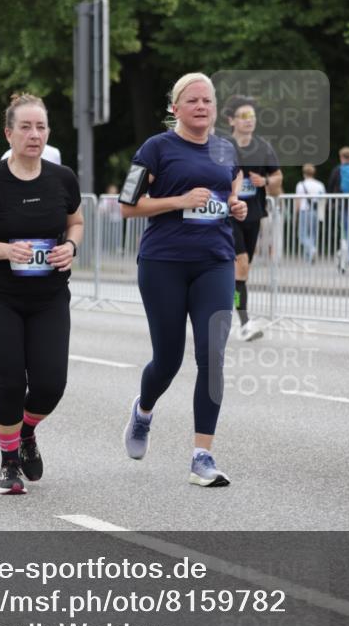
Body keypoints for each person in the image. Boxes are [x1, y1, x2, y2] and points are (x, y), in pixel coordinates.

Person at [120, 73, 246, 487]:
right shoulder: (156, 148)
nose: (201, 106)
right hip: (163, 263)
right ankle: (143, 411)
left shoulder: (225, 148)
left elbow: (231, 190)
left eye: (207, 100)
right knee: (169, 360)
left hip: (215, 261)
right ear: (175, 108)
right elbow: (127, 206)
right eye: (192, 100)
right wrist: (179, 201)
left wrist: (234, 207)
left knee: (212, 358)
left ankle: (202, 456)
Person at [0, 93, 84, 495]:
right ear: (8, 133)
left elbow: (76, 222)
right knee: (11, 382)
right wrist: (4, 250)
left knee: (50, 384)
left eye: (41, 127)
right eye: (26, 127)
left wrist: (71, 246)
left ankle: (26, 431)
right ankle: (9, 462)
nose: (35, 135)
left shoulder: (62, 177)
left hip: (49, 296)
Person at [222, 96, 283, 341]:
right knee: (241, 264)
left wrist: (266, 181)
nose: (249, 121)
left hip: (254, 215)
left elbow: (278, 180)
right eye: (244, 116)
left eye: (252, 117)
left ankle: (228, 308)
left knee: (240, 274)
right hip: (228, 215)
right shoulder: (223, 146)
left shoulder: (263, 147)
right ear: (231, 121)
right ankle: (245, 323)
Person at [295, 164, 326, 263]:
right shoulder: (320, 184)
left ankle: (312, 250)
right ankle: (309, 258)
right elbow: (323, 199)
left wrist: (296, 213)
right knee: (312, 234)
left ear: (304, 173)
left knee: (302, 235)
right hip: (315, 211)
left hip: (304, 211)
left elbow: (298, 201)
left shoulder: (301, 185)